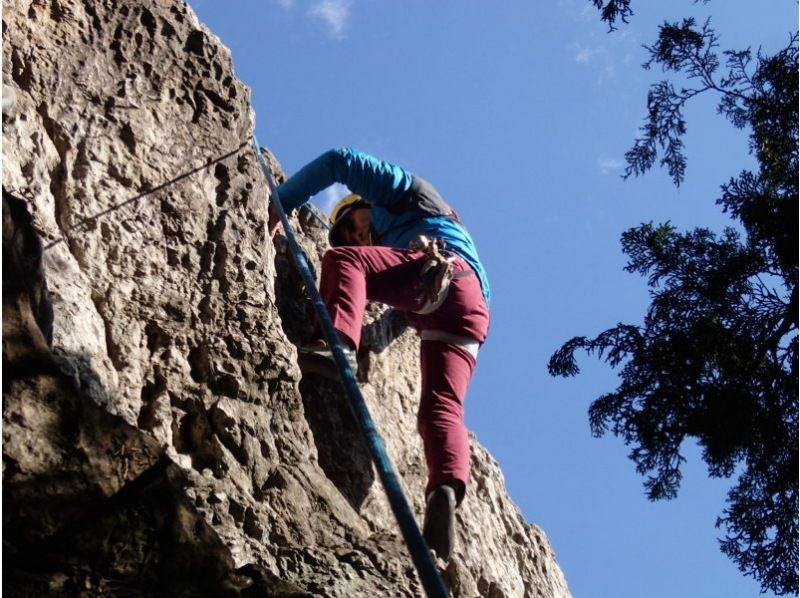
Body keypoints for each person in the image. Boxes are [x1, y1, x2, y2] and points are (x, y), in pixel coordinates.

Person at [269, 147, 490, 560]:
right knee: (441, 411)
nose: (355, 236)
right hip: (466, 312)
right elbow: (402, 319)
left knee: (344, 262)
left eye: (352, 223)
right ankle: (446, 489)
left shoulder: (411, 196)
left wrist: (279, 202)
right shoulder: (408, 239)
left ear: (365, 203)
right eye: (348, 234)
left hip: (444, 275)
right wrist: (369, 338)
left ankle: (334, 349)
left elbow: (339, 160)